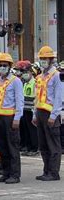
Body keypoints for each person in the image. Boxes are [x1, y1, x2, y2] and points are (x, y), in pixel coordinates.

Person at [0, 53, 24, 184]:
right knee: (2, 147)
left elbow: (19, 101)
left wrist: (17, 118)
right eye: (0, 65)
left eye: (4, 65)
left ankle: (15, 174)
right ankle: (6, 172)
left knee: (12, 146)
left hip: (10, 117)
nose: (2, 67)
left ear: (10, 66)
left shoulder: (16, 81)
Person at [33, 46, 62, 181]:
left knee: (53, 145)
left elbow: (59, 97)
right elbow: (37, 97)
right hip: (40, 112)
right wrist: (34, 114)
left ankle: (54, 173)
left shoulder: (57, 75)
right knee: (43, 144)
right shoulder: (39, 77)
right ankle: (46, 171)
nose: (43, 61)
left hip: (50, 114)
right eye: (41, 58)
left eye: (45, 58)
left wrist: (54, 115)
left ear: (51, 60)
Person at [16, 60, 39, 156]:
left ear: (31, 73)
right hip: (25, 110)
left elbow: (36, 97)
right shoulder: (25, 83)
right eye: (23, 73)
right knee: (26, 130)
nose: (25, 74)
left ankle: (34, 148)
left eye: (26, 72)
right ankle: (28, 147)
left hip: (31, 110)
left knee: (32, 130)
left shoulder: (34, 83)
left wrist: (35, 111)